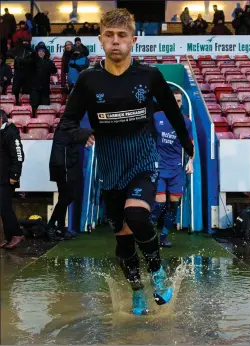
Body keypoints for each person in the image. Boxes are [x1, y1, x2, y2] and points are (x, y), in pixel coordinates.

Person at [58, 8, 194, 315]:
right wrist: (82, 134)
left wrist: (188, 145)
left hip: (144, 159)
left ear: (133, 40)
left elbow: (173, 114)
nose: (116, 42)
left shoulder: (149, 76)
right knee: (123, 243)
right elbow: (66, 123)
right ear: (100, 40)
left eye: (122, 36)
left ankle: (158, 273)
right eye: (109, 36)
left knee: (138, 216)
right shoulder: (88, 80)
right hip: (110, 166)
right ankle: (136, 292)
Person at [152, 90, 194, 247]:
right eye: (174, 100)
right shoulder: (157, 117)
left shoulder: (186, 122)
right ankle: (147, 234)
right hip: (159, 167)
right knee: (160, 202)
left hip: (176, 169)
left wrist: (191, 161)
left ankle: (163, 237)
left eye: (179, 101)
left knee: (174, 204)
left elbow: (191, 145)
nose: (177, 104)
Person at [47, 125, 86, 241]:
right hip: (63, 169)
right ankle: (51, 225)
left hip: (65, 168)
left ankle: (59, 228)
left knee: (65, 197)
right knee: (67, 197)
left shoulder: (66, 129)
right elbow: (61, 153)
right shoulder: (65, 129)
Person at [0, 110, 25, 249]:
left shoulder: (11, 133)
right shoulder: (2, 133)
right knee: (3, 208)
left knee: (5, 207)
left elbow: (19, 156)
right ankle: (9, 236)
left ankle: (17, 234)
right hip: (1, 177)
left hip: (7, 178)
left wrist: (14, 176)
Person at [6, 37, 34, 105]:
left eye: (27, 42)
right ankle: (17, 102)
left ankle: (25, 105)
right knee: (16, 89)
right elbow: (8, 53)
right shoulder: (17, 49)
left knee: (26, 90)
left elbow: (33, 60)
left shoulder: (31, 50)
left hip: (27, 73)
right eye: (24, 42)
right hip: (18, 72)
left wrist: (26, 61)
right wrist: (15, 57)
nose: (25, 43)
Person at [30, 46, 57, 116]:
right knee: (34, 104)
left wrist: (52, 66)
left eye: (42, 51)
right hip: (34, 88)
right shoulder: (33, 61)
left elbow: (54, 71)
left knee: (45, 105)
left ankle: (44, 119)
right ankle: (35, 118)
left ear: (45, 53)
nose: (41, 53)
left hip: (45, 88)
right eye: (39, 51)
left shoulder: (49, 61)